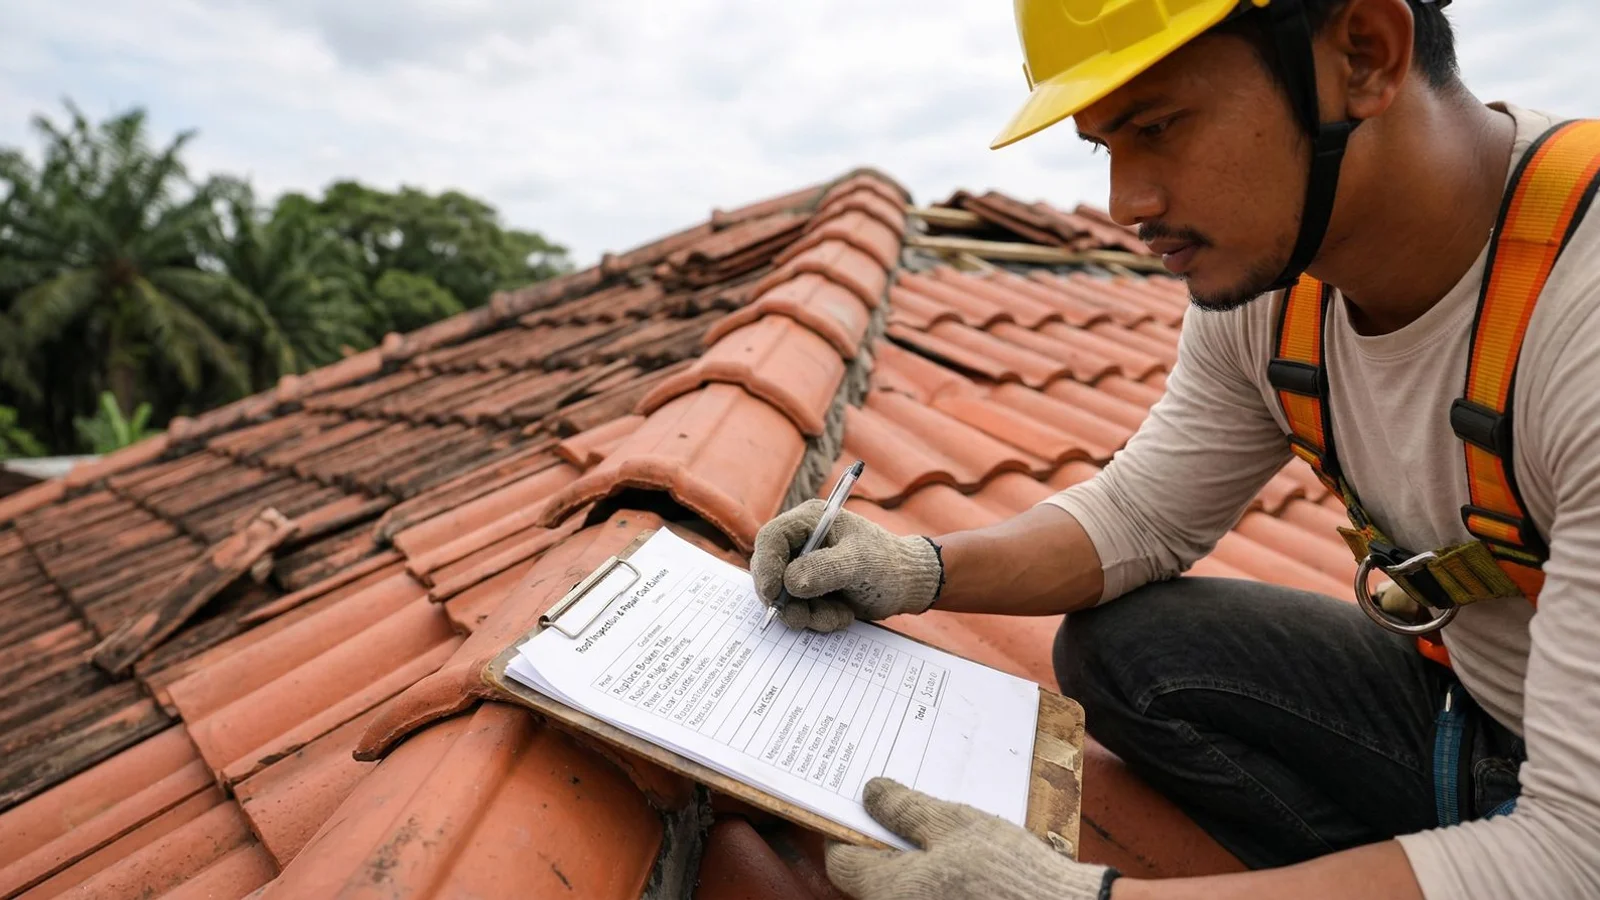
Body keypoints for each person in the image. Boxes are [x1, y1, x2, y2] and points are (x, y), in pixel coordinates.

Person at [749, 0, 1600, 897]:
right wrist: (915, 567)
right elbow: (1141, 515)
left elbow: (1582, 853)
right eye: (1105, 147)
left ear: (1363, 55)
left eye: (1159, 126)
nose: (1127, 204)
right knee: (1130, 649)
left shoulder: (1577, 319)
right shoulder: (1281, 290)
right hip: (1482, 715)